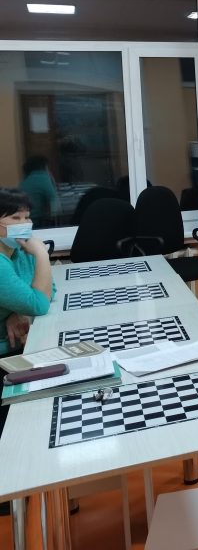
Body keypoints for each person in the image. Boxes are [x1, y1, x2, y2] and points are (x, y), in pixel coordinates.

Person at [0, 188, 55, 434]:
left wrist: (17, 310)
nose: (24, 224)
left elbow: (50, 288)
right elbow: (40, 303)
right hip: (6, 355)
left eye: (27, 217)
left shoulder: (19, 251)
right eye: (15, 218)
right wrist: (42, 253)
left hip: (20, 346)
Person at [18, 156, 59, 228]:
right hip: (37, 220)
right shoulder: (43, 178)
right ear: (44, 167)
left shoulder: (26, 179)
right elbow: (53, 199)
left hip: (23, 219)